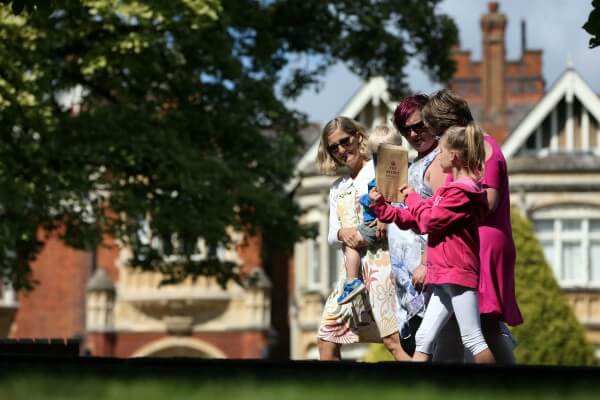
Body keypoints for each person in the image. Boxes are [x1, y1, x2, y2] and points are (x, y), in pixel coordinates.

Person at [370, 123, 496, 364]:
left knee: (472, 338)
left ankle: (498, 388)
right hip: (442, 274)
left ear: (454, 157)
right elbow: (416, 217)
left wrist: (412, 197)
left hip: (457, 273)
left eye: (441, 152)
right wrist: (383, 208)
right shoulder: (449, 192)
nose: (437, 156)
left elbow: (429, 220)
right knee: (425, 338)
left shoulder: (464, 192)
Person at [422, 89, 523, 363]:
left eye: (438, 131)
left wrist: (443, 213)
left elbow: (487, 202)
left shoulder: (485, 148)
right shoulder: (476, 146)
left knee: (485, 326)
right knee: (456, 325)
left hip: (483, 243)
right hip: (472, 242)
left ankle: (509, 384)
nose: (438, 139)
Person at [316, 116, 410, 361]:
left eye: (344, 142)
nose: (340, 150)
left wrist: (386, 216)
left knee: (392, 340)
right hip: (351, 277)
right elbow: (330, 235)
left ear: (358, 137)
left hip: (382, 265)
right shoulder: (337, 187)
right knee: (327, 338)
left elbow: (404, 206)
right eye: (333, 147)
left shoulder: (379, 169)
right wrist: (341, 233)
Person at [387, 94, 446, 356]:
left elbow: (439, 218)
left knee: (430, 345)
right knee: (415, 343)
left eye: (419, 125)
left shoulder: (440, 162)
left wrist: (426, 262)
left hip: (427, 273)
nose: (413, 133)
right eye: (406, 129)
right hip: (406, 275)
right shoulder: (412, 163)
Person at [337, 125, 403, 305]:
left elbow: (391, 197)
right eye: (376, 156)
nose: (379, 160)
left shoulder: (389, 174)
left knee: (351, 243)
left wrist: (378, 210)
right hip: (384, 222)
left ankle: (352, 282)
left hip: (374, 223)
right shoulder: (396, 171)